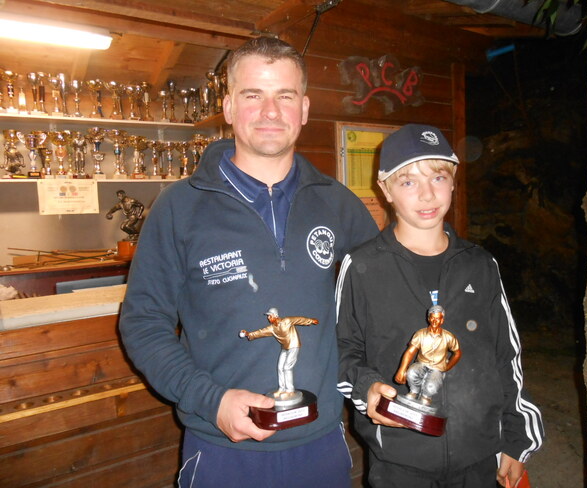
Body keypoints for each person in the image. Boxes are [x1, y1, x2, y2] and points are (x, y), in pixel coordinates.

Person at [118, 36, 377, 488]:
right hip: (222, 450)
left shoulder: (339, 204)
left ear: (306, 109)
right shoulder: (179, 207)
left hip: (321, 446)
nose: (271, 111)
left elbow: (378, 307)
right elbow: (143, 323)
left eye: (285, 96)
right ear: (230, 108)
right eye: (253, 95)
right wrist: (210, 400)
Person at [336, 123, 543, 487]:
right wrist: (366, 384)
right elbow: (341, 349)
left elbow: (506, 355)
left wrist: (516, 438)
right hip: (399, 461)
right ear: (385, 189)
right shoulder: (362, 266)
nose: (427, 195)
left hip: (478, 456)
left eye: (438, 177)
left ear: (453, 180)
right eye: (408, 182)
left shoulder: (481, 265)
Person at [240, 307, 319, 400]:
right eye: (268, 316)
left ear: (275, 316)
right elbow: (261, 332)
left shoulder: (287, 321)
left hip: (294, 345)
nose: (268, 318)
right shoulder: (272, 328)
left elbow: (299, 319)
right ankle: (282, 389)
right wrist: (249, 334)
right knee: (280, 368)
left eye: (270, 316)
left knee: (287, 367)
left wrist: (310, 321)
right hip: (285, 348)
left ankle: (290, 390)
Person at [395, 305, 461, 407]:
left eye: (438, 319)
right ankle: (414, 392)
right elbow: (410, 351)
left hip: (437, 368)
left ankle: (426, 397)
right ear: (428, 318)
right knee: (411, 373)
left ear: (442, 320)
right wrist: (402, 369)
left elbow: (457, 353)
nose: (435, 321)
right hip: (421, 364)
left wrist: (447, 367)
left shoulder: (449, 337)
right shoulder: (420, 334)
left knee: (431, 386)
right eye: (433, 318)